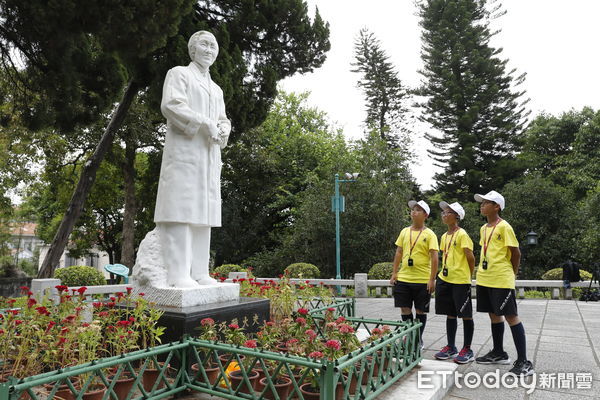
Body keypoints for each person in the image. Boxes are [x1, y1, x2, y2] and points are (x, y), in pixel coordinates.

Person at [154, 31, 231, 288]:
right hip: (185, 153)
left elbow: (222, 118)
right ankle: (177, 274)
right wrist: (204, 123)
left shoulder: (216, 89)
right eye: (204, 44)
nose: (209, 49)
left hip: (209, 156)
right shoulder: (179, 74)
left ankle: (200, 272)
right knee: (182, 210)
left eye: (213, 45)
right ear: (192, 50)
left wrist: (224, 128)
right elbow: (172, 105)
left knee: (204, 213)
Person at [473, 190, 534, 376]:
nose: (482, 205)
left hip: (501, 278)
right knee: (493, 315)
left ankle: (524, 361)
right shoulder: (484, 228)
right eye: (481, 202)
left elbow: (516, 253)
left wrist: (512, 273)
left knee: (511, 316)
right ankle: (498, 353)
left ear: (496, 206)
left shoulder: (504, 227)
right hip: (485, 277)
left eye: (486, 202)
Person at [390, 200, 439, 349]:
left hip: (422, 280)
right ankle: (409, 337)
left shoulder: (430, 234)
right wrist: (394, 273)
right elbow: (399, 252)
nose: (414, 212)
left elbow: (434, 257)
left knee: (420, 311)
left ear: (425, 215)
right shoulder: (404, 231)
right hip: (403, 278)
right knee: (405, 309)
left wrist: (432, 279)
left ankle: (418, 340)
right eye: (413, 209)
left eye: (418, 210)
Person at [433, 201, 476, 364]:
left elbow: (470, 257)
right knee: (450, 314)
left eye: (448, 212)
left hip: (460, 281)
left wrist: (467, 275)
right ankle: (451, 347)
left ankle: (467, 349)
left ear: (456, 216)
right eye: (443, 213)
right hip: (445, 279)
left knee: (465, 315)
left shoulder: (462, 234)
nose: (444, 215)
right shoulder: (444, 236)